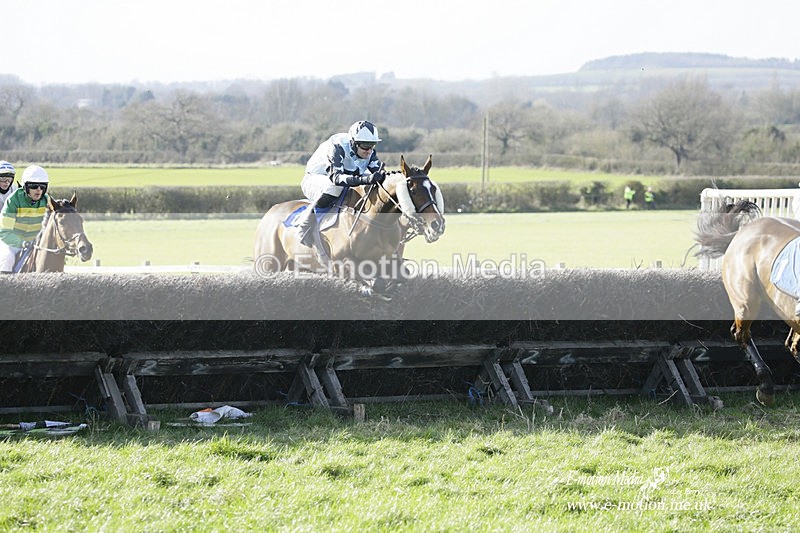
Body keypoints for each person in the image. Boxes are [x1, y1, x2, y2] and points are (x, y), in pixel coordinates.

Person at [295, 120, 386, 246]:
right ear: (354, 142)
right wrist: (365, 179)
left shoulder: (368, 151)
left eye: (373, 145)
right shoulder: (337, 147)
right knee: (335, 187)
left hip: (341, 178)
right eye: (365, 146)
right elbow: (336, 178)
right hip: (316, 178)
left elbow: (381, 176)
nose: (369, 151)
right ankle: (305, 225)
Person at [0, 165, 50, 273]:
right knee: (8, 258)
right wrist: (22, 243)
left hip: (35, 242)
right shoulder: (13, 200)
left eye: (42, 187)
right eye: (34, 186)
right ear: (25, 186)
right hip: (12, 243)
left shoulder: (47, 201)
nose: (38, 190)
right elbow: (4, 232)